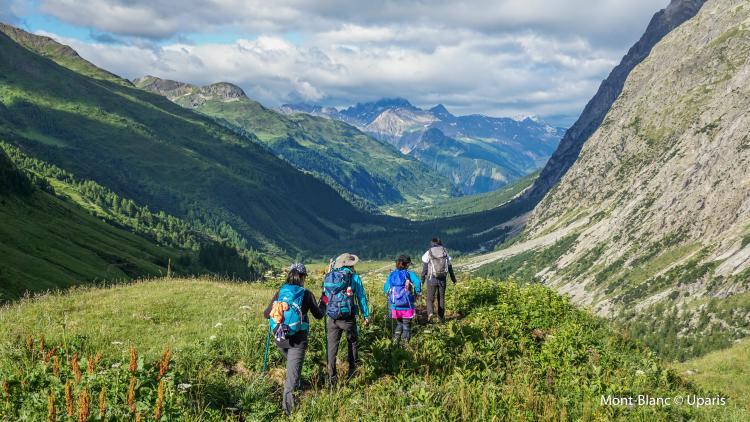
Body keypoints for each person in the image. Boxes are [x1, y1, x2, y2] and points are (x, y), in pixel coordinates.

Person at [263, 263, 324, 415]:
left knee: (293, 371)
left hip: (280, 338)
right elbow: (319, 315)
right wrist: (324, 302)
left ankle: (297, 383)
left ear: (290, 274)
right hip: (298, 341)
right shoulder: (307, 294)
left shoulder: (281, 291)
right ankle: (289, 413)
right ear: (302, 277)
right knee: (291, 379)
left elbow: (266, 314)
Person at [321, 253, 370, 385]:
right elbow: (361, 297)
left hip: (331, 317)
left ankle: (332, 378)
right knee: (352, 342)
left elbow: (325, 296)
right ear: (350, 265)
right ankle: (352, 372)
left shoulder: (329, 276)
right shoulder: (354, 278)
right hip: (348, 317)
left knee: (331, 347)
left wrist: (325, 311)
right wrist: (366, 315)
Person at [383, 255, 422, 344]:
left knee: (399, 323)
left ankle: (395, 341)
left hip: (395, 306)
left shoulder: (392, 274)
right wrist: (416, 293)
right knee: (406, 325)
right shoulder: (409, 274)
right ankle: (405, 344)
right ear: (407, 264)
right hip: (407, 305)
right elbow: (418, 283)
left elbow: (385, 288)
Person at [421, 238, 457, 323]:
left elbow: (425, 269)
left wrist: (422, 281)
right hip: (442, 279)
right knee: (441, 298)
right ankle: (441, 317)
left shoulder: (428, 252)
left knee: (430, 298)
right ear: (440, 243)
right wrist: (453, 279)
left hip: (431, 279)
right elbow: (450, 267)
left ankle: (430, 313)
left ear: (432, 243)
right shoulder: (444, 251)